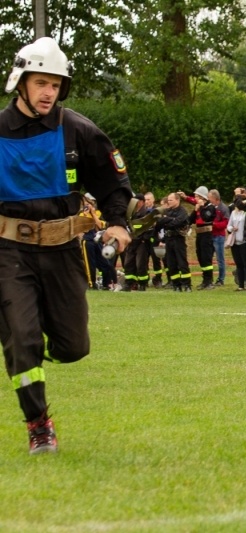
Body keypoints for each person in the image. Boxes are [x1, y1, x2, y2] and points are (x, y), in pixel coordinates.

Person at [0, 37, 133, 454]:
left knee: (74, 347)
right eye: (41, 83)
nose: (48, 93)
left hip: (62, 250)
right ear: (20, 82)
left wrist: (118, 224)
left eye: (55, 85)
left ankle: (33, 346)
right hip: (8, 252)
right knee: (22, 340)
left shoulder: (76, 129)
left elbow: (115, 184)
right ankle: (39, 425)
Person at [180, 186, 216, 290]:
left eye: (197, 196)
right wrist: (195, 211)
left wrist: (201, 208)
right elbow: (190, 220)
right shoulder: (198, 207)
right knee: (200, 257)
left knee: (206, 257)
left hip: (207, 235)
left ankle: (209, 281)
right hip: (199, 234)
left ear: (202, 197)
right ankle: (205, 280)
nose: (195, 198)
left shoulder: (210, 207)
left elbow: (206, 217)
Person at [157, 192, 192, 291]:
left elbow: (178, 222)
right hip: (168, 239)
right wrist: (170, 220)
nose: (169, 202)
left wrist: (167, 221)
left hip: (178, 239)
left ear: (177, 200)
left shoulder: (182, 211)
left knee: (182, 263)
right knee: (171, 263)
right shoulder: (167, 211)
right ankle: (176, 285)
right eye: (168, 200)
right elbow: (160, 223)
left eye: (171, 200)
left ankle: (187, 285)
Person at [121, 193, 151, 291]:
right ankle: (129, 284)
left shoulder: (146, 213)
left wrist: (143, 239)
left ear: (141, 202)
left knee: (140, 264)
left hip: (141, 242)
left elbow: (149, 228)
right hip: (132, 241)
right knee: (128, 263)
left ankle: (142, 284)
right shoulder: (131, 213)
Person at [227, 195, 246, 291]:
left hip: (244, 241)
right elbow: (228, 226)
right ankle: (240, 285)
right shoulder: (233, 213)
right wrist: (232, 228)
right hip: (235, 241)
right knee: (239, 264)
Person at [208, 189, 230, 286]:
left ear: (215, 198)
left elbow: (225, 223)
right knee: (208, 257)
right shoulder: (209, 207)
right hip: (210, 235)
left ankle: (221, 279)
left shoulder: (223, 208)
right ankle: (209, 278)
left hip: (219, 236)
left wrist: (214, 224)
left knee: (220, 259)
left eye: (210, 198)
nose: (209, 200)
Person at [144, 191, 164, 288]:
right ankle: (145, 279)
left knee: (156, 260)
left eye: (148, 199)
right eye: (145, 200)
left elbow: (158, 223)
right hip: (144, 238)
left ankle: (158, 279)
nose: (146, 202)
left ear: (153, 200)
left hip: (154, 237)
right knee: (144, 260)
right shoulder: (142, 211)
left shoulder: (157, 210)